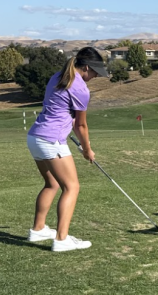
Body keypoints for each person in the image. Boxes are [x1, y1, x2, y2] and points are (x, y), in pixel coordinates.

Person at [26, 47, 108, 252]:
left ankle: (38, 229)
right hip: (51, 140)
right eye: (95, 72)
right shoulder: (80, 88)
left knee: (51, 184)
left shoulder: (58, 76)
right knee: (72, 187)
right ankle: (62, 240)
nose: (96, 76)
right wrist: (87, 149)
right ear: (87, 67)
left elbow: (61, 111)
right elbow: (81, 125)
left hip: (35, 136)